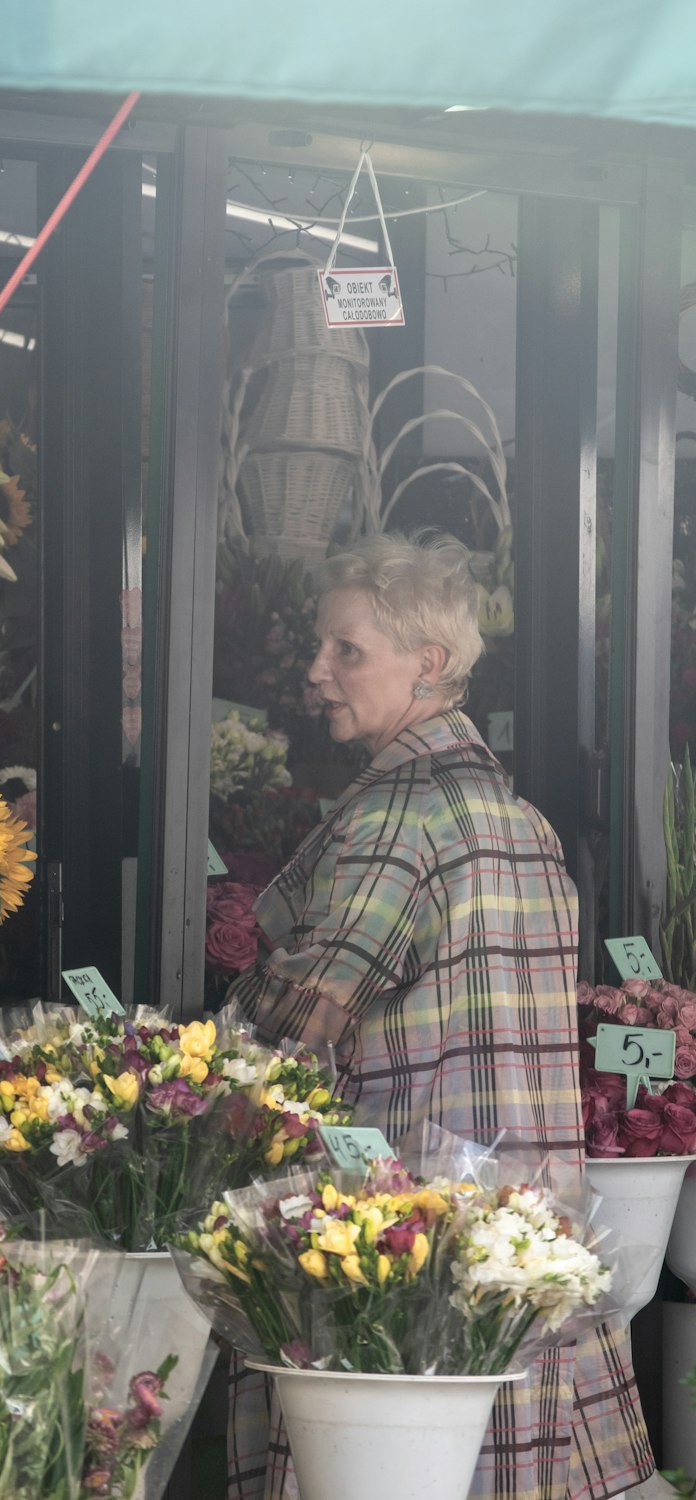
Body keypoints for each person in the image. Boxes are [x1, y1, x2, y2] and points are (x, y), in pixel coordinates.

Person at [226, 532, 655, 1500]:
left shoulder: (396, 816)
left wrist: (209, 1041)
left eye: (346, 651)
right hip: (515, 1235)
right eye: (320, 648)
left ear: (428, 664)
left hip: (405, 1243)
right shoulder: (525, 820)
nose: (315, 672)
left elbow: (304, 1015)